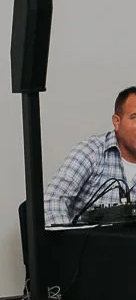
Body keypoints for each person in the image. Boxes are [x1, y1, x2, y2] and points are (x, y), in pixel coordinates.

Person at [43, 87, 136, 225]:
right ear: (117, 122)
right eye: (135, 117)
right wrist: (69, 243)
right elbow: (52, 201)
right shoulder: (91, 152)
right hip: (87, 245)